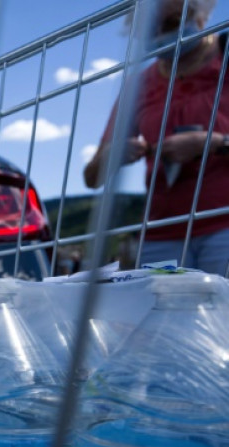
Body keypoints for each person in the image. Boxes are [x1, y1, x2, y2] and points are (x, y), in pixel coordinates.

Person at [84, 0, 229, 275]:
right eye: (150, 28)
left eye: (173, 22)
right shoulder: (136, 86)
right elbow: (91, 176)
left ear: (200, 16)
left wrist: (215, 143)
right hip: (160, 234)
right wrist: (112, 156)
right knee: (162, 316)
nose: (162, 33)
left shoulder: (226, 58)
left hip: (224, 226)